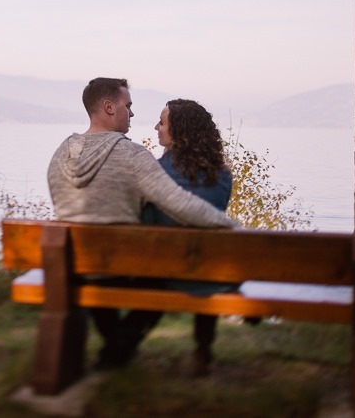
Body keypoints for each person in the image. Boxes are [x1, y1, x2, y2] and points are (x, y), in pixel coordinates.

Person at [47, 78, 236, 368]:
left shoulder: (60, 154)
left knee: (100, 276)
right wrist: (231, 226)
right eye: (128, 105)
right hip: (120, 267)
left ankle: (115, 352)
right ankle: (117, 352)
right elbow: (180, 204)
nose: (133, 114)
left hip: (72, 266)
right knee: (154, 278)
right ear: (109, 107)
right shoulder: (134, 155)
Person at [141, 98, 238, 376]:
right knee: (205, 262)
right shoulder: (221, 177)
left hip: (160, 271)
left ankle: (119, 347)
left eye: (162, 122)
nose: (156, 127)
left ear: (179, 132)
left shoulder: (152, 172)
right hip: (206, 271)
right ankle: (202, 352)